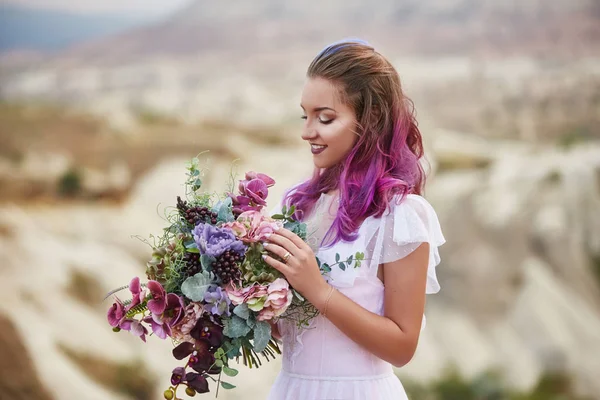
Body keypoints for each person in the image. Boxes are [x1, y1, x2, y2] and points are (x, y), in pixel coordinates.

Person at [261, 39, 445, 400]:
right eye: (306, 115)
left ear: (370, 120)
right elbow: (295, 329)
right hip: (291, 389)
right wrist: (247, 304)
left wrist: (317, 289)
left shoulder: (400, 216)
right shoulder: (303, 206)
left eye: (325, 118)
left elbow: (402, 347)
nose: (307, 131)